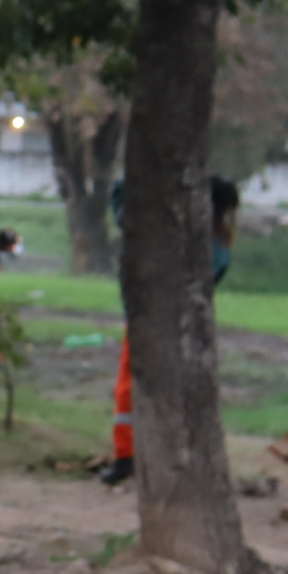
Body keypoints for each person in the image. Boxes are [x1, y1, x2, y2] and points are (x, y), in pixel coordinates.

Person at [100, 176, 239, 486]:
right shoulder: (219, 244)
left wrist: (131, 183)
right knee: (173, 392)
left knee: (129, 387)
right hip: (189, 328)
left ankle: (127, 456)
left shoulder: (181, 235)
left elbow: (128, 219)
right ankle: (168, 455)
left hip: (153, 320)